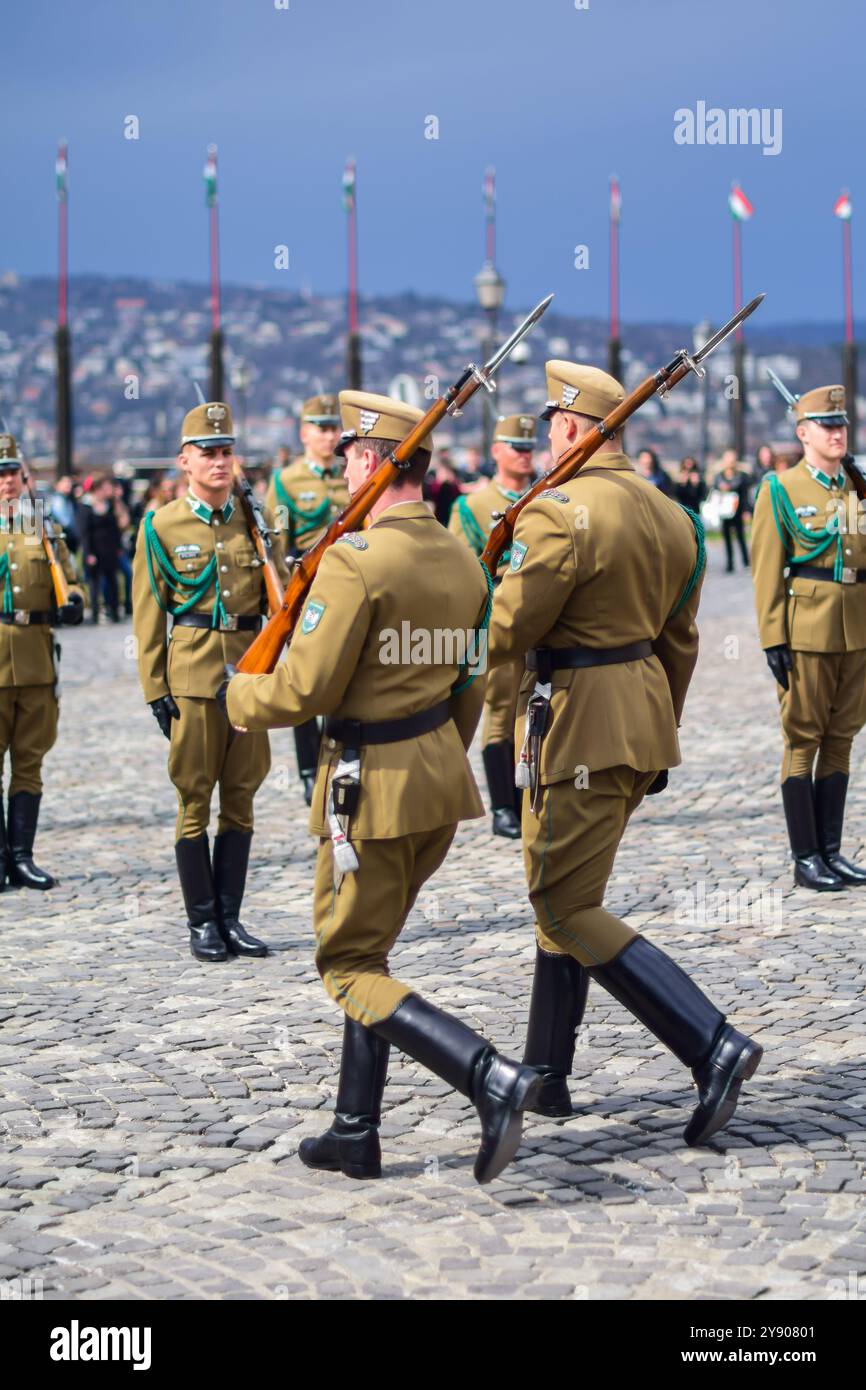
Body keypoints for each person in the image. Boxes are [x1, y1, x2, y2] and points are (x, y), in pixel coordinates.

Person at [223, 391, 542, 1184]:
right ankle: (355, 1129)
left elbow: (303, 691)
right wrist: (434, 752)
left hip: (367, 792)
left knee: (347, 966)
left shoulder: (356, 559)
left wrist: (233, 696)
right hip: (438, 784)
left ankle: (487, 1076)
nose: (341, 473)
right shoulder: (466, 559)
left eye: (348, 460)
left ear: (369, 461)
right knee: (375, 954)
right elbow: (473, 684)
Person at [488, 361, 762, 1145]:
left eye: (551, 425)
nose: (545, 438)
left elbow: (507, 630)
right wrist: (658, 729)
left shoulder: (557, 511)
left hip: (576, 726)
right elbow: (682, 641)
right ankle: (548, 1074)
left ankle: (710, 1045)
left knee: (564, 905)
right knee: (563, 890)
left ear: (571, 427)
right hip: (638, 722)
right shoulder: (672, 517)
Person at [131, 399, 290, 961]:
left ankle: (231, 917)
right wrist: (156, 688)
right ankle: (202, 922)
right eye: (208, 453)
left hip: (250, 675)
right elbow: (149, 615)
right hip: (194, 677)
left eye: (227, 451)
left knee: (241, 801)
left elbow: (283, 597)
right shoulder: (161, 524)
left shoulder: (257, 520)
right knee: (194, 800)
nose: (220, 461)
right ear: (184, 462)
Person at [751, 382, 866, 891]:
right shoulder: (780, 489)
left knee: (841, 739)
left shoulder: (858, 486)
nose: (837, 433)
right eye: (827, 425)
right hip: (808, 630)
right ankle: (805, 857)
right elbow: (766, 571)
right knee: (804, 740)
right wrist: (774, 639)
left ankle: (832, 851)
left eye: (841, 424)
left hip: (857, 628)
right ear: (803, 433)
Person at [0, 431, 84, 889]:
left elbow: (72, 581)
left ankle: (22, 855)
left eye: (12, 472)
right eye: (0, 475)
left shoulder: (43, 528)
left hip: (35, 658)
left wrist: (74, 601)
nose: (6, 482)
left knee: (29, 760)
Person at [449, 413, 537, 837]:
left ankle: (529, 795)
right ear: (497, 451)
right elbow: (457, 569)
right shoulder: (471, 506)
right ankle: (504, 805)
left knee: (534, 709)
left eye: (529, 448)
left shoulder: (550, 494)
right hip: (499, 615)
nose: (524, 456)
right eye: (516, 448)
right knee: (500, 709)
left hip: (540, 614)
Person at [266, 394, 347, 806]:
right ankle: (306, 768)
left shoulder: (349, 475)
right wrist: (285, 602)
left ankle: (336, 758)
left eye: (334, 427)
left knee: (341, 676)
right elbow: (275, 547)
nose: (330, 435)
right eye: (322, 428)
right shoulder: (285, 482)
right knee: (302, 680)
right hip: (306, 593)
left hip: (346, 592)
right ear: (304, 434)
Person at [80, 473, 121, 622]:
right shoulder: (86, 507)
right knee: (94, 584)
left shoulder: (109, 505)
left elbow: (116, 527)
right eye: (102, 489)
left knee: (112, 582)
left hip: (109, 549)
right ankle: (95, 613)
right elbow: (84, 533)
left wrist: (118, 547)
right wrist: (88, 553)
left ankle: (114, 611)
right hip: (94, 549)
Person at [715, 448, 752, 572]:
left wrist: (746, 511)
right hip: (724, 512)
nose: (730, 461)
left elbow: (745, 495)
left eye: (732, 459)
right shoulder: (719, 476)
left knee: (741, 537)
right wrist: (721, 488)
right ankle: (729, 564)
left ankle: (746, 562)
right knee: (726, 538)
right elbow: (714, 492)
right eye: (728, 458)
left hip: (738, 511)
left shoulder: (741, 476)